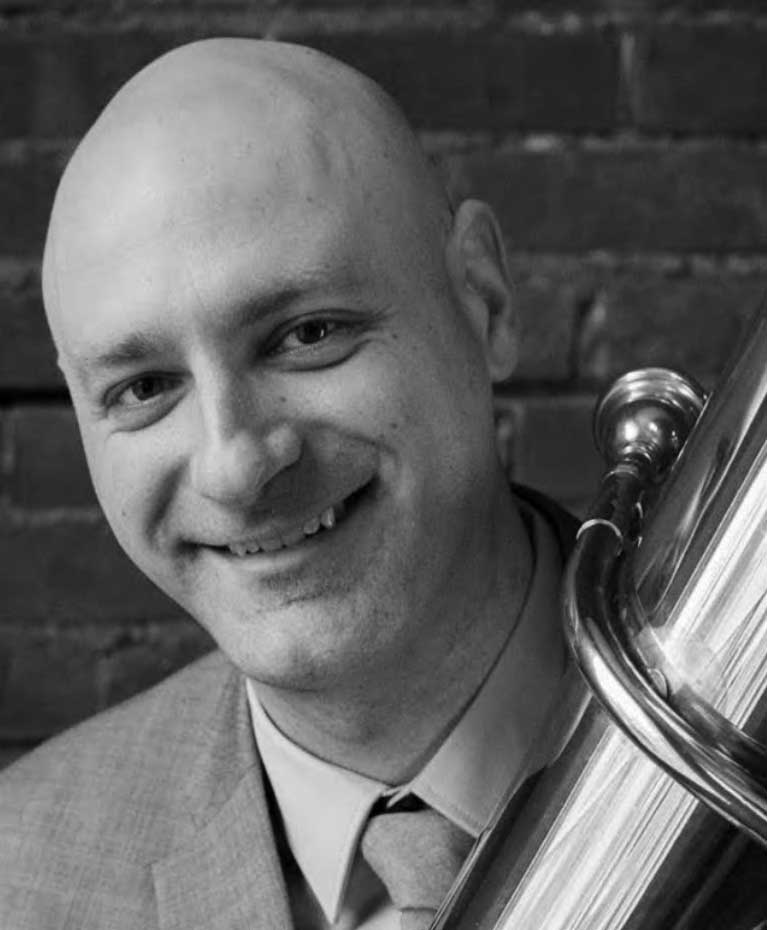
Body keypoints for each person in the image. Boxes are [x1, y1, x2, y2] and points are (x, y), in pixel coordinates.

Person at [0, 36, 761, 930]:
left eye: (307, 334)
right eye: (143, 388)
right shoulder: (21, 872)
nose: (235, 465)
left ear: (484, 300)